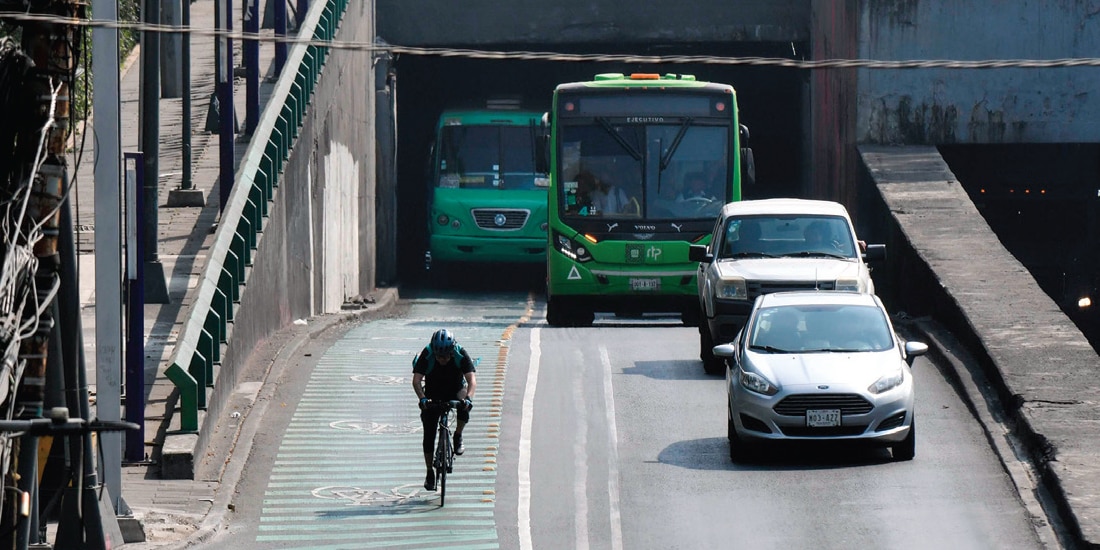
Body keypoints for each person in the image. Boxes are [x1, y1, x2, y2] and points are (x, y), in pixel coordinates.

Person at [412, 328, 477, 491]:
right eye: (439, 356)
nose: (442, 359)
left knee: (464, 406)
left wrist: (468, 398)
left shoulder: (461, 353)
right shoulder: (427, 354)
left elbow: (472, 381)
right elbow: (416, 380)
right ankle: (429, 473)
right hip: (433, 392)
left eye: (446, 356)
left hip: (455, 388)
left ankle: (458, 435)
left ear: (452, 351)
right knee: (429, 433)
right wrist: (423, 399)